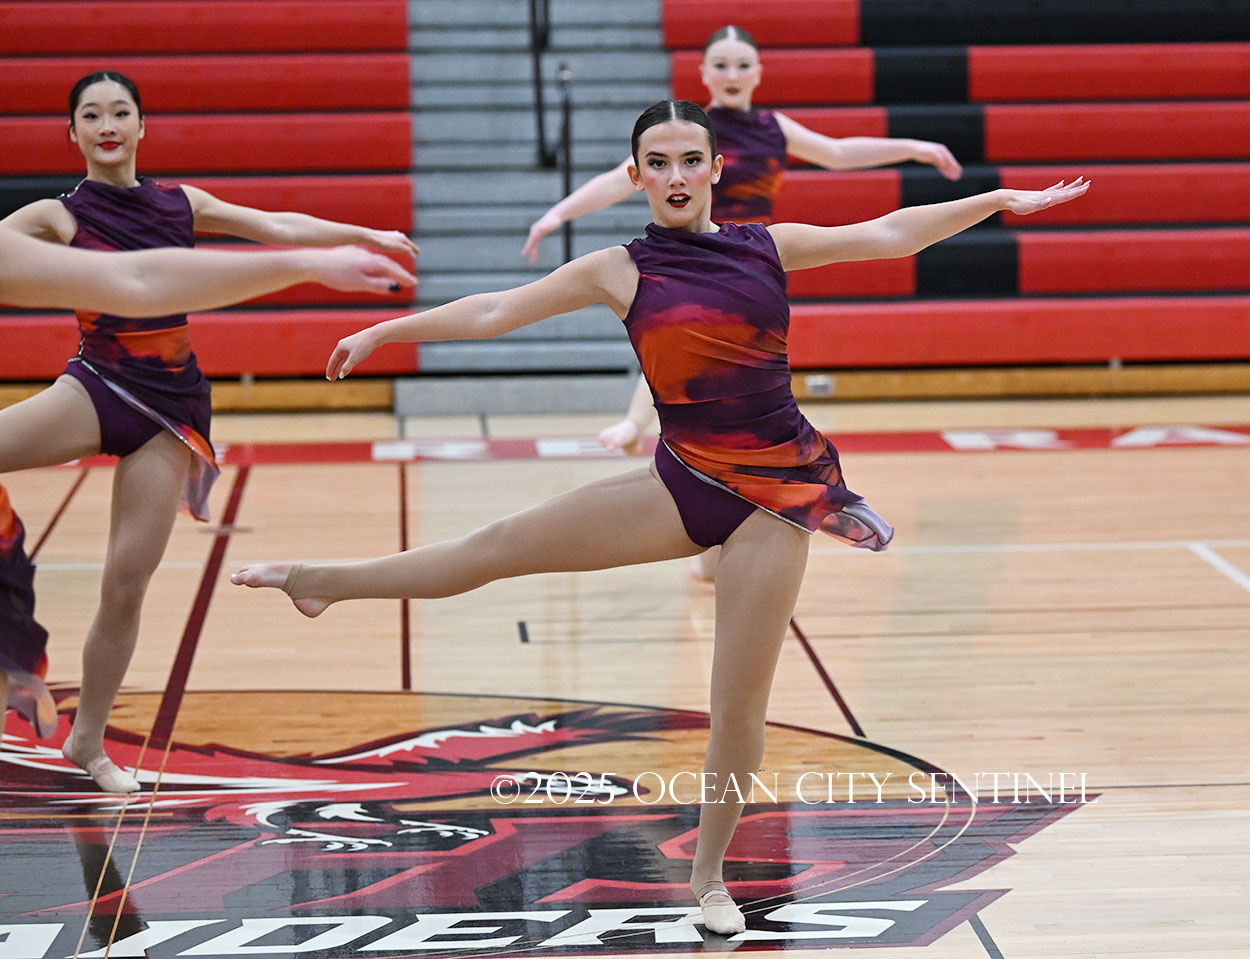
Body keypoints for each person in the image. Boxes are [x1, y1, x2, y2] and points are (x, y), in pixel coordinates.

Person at [231, 100, 1086, 933]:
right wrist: (387, 331)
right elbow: (494, 310)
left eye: (690, 160)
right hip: (682, 481)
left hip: (776, 497)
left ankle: (708, 876)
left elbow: (889, 233)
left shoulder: (770, 246)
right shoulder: (617, 268)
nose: (676, 175)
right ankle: (321, 581)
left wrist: (995, 200)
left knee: (736, 708)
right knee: (496, 545)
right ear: (637, 176)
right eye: (659, 162)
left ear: (717, 169)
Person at [0, 70, 419, 794]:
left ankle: (87, 743)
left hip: (169, 407)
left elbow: (277, 227)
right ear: (71, 133)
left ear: (142, 125)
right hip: (96, 385)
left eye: (121, 112)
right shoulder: (54, 217)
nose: (107, 126)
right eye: (91, 115)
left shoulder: (180, 202)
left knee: (125, 585)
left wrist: (362, 233)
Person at [523, 25, 963, 577]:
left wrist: (914, 148)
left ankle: (717, 533)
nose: (731, 75)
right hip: (688, 257)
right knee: (686, 360)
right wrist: (556, 214)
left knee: (734, 397)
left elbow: (837, 152)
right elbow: (617, 179)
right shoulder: (688, 134)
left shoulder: (775, 128)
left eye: (741, 65)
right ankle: (639, 429)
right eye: (721, 65)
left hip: (748, 262)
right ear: (704, 74)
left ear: (758, 73)